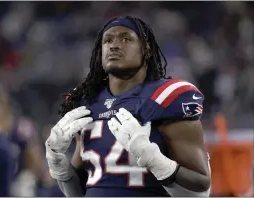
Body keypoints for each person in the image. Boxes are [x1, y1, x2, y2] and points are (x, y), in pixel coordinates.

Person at [45, 16, 211, 197]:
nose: (114, 45)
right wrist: (59, 165)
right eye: (107, 40)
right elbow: (78, 193)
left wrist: (154, 159)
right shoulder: (87, 103)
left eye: (125, 39)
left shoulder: (166, 98)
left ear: (146, 49)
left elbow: (201, 184)